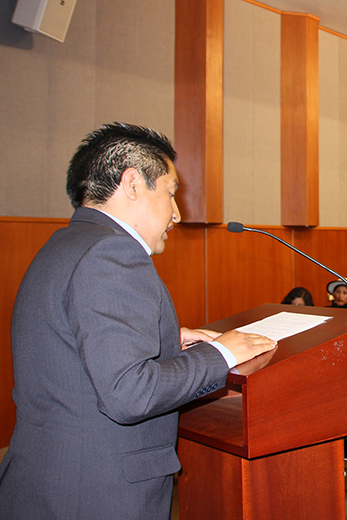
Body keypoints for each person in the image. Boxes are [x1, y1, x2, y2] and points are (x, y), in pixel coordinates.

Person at [0, 123, 278, 519]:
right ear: (132, 183)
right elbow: (129, 394)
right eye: (170, 193)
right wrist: (220, 353)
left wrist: (165, 340)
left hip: (52, 477)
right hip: (98, 492)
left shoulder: (64, 244)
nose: (177, 214)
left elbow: (71, 348)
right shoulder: (113, 253)